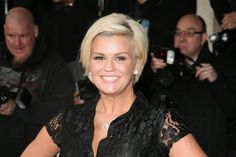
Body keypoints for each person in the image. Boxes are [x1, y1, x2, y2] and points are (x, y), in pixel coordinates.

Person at [21, 13, 207, 157]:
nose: (108, 67)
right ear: (89, 65)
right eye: (99, 57)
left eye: (120, 58)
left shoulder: (160, 123)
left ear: (137, 64)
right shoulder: (68, 119)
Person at [149, 14, 235, 157]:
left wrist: (216, 80)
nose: (181, 38)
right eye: (178, 32)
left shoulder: (221, 66)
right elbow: (153, 112)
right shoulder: (168, 68)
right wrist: (158, 75)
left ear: (203, 37)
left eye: (189, 33)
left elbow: (233, 109)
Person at [0, 7, 74, 156]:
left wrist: (20, 109)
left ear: (35, 31)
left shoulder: (55, 65)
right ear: (4, 31)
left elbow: (65, 112)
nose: (17, 43)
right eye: (11, 35)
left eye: (23, 36)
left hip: (34, 149)